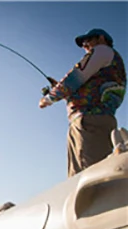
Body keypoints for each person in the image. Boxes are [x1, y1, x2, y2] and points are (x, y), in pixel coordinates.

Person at [39, 28, 125, 175]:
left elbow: (75, 77)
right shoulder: (108, 61)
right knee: (79, 176)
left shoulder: (102, 50)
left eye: (88, 40)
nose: (85, 45)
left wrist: (49, 98)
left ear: (101, 38)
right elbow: (86, 86)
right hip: (92, 119)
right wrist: (65, 92)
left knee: (90, 176)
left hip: (89, 121)